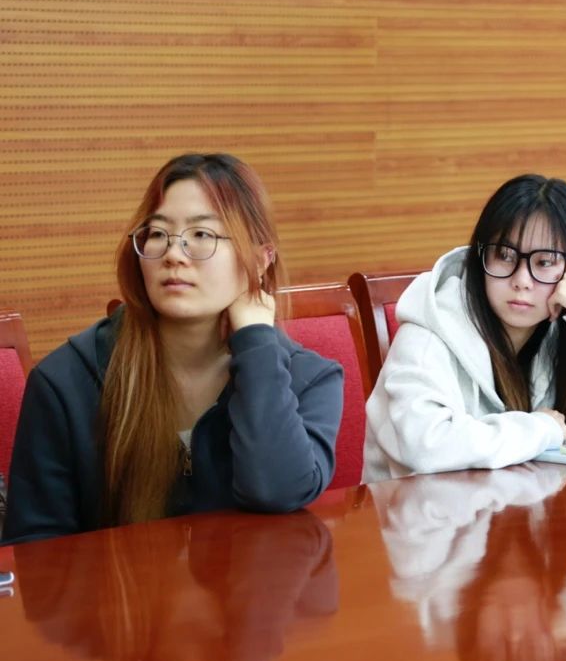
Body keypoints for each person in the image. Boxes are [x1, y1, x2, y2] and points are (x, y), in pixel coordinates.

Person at [2, 154, 343, 545]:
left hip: (251, 584)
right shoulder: (66, 382)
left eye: (202, 235)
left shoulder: (309, 380)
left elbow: (277, 491)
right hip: (119, 586)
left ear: (260, 259)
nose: (174, 254)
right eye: (159, 233)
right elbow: (36, 554)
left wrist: (256, 343)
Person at [362, 174, 566, 478]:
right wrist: (542, 429)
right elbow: (426, 447)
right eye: (505, 256)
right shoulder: (428, 333)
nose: (522, 281)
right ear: (481, 257)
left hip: (518, 508)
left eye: (544, 262)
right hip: (415, 510)